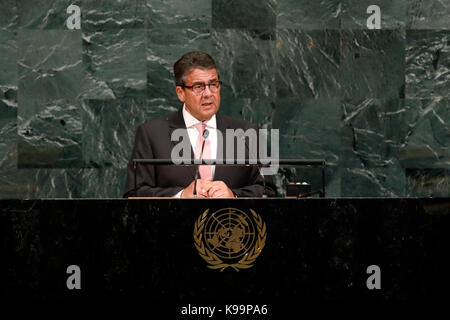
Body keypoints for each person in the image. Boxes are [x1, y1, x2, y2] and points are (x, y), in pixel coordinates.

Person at [123, 51, 276, 198]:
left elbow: (268, 191)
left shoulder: (248, 133)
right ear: (180, 93)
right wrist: (180, 195)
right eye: (199, 87)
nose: (208, 93)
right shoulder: (151, 134)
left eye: (213, 84)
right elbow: (134, 193)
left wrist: (234, 195)